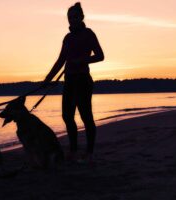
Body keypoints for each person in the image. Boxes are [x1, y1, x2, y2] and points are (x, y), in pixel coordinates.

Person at [43, 2, 104, 163]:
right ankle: (73, 150)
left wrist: (82, 60)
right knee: (67, 116)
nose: (72, 20)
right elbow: (61, 60)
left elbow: (100, 56)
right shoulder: (68, 38)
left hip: (83, 80)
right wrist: (48, 79)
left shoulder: (89, 34)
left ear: (81, 17)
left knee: (86, 117)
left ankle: (90, 153)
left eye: (75, 16)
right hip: (69, 81)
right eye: (69, 17)